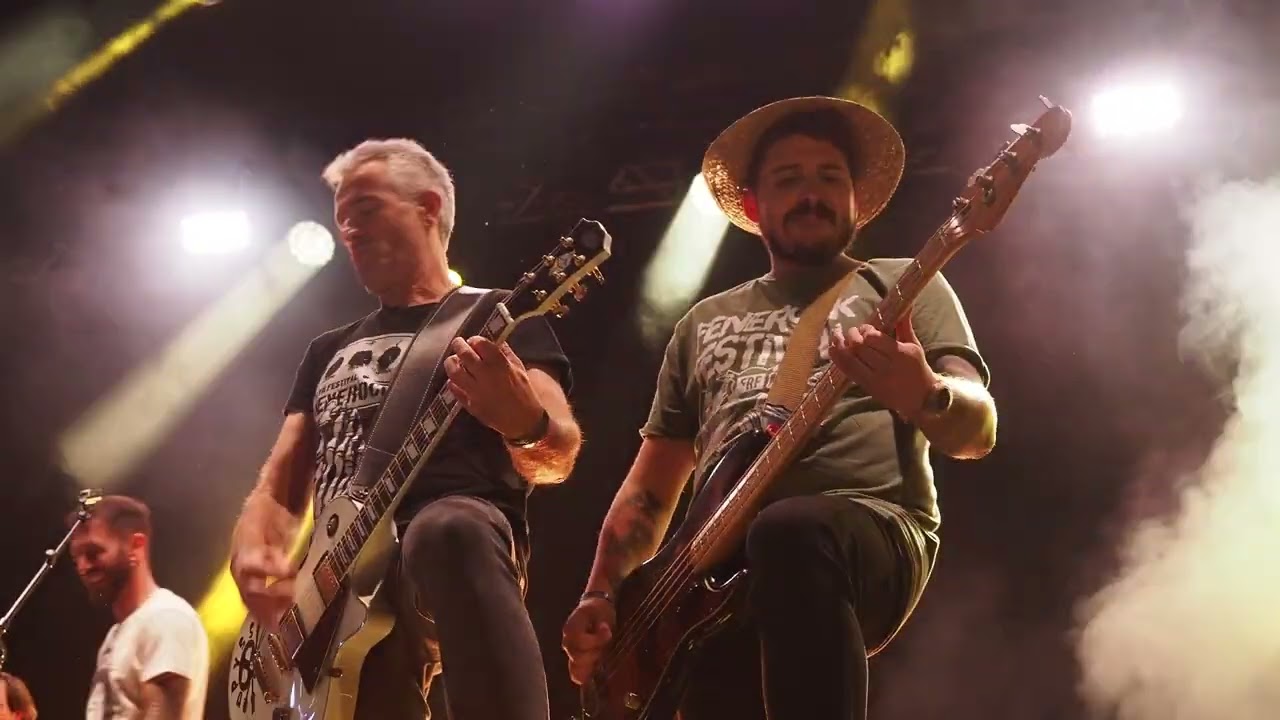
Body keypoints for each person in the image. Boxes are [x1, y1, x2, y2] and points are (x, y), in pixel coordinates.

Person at [562, 96, 999, 719]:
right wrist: (602, 594)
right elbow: (650, 492)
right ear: (751, 206)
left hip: (867, 531)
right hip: (714, 574)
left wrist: (926, 394)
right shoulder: (702, 322)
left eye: (830, 178)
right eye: (789, 180)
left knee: (790, 530)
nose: (812, 194)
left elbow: (978, 430)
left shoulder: (903, 284)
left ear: (856, 201)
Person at [229, 138, 582, 720]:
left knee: (446, 528)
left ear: (428, 207)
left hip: (444, 556)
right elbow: (279, 487)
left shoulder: (498, 317)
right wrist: (252, 547)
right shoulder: (327, 349)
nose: (350, 231)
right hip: (338, 589)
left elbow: (559, 453)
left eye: (365, 209)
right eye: (342, 220)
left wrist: (523, 423)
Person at [68, 495, 209, 720]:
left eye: (93, 553)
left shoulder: (166, 618)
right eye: (77, 558)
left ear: (136, 546)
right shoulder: (117, 633)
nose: (83, 567)